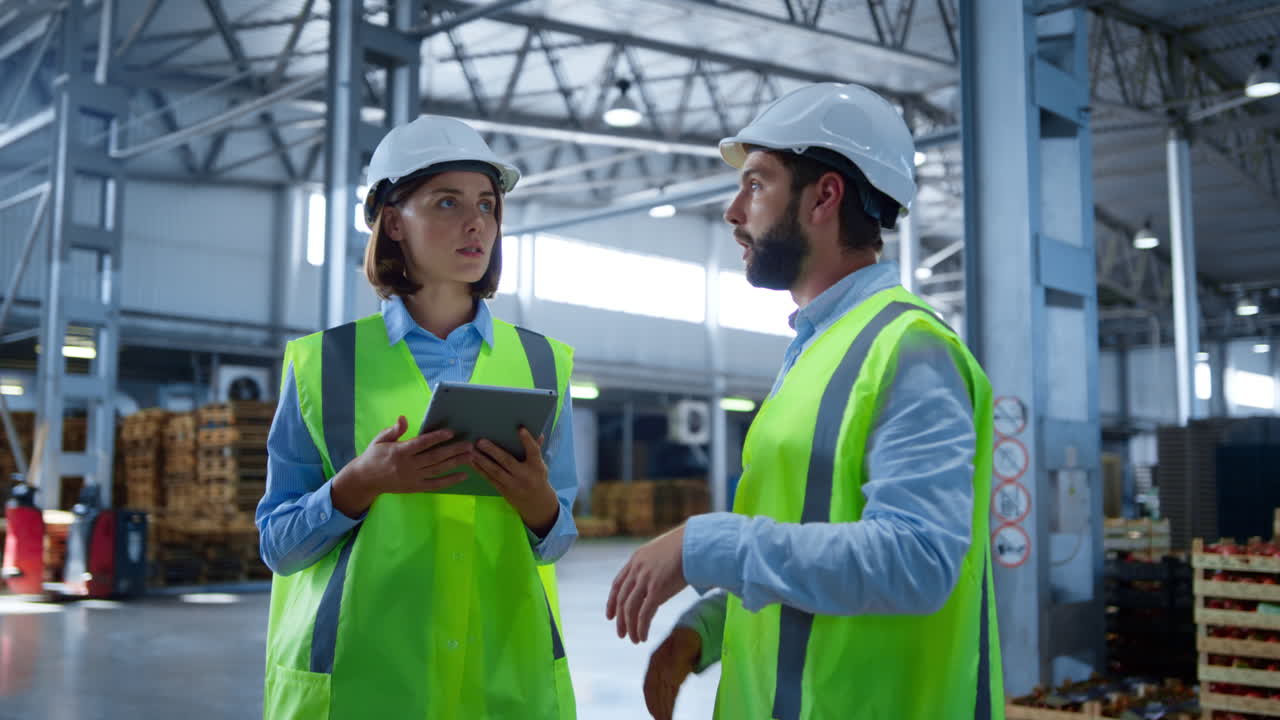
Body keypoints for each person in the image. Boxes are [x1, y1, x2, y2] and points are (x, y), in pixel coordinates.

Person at [606, 83, 1004, 720]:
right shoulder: (817, 351)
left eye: (757, 184)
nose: (735, 211)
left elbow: (918, 561)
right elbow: (813, 542)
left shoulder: (909, 349)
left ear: (825, 197)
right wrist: (707, 627)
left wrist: (704, 546)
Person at [257, 115, 578, 719]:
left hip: (501, 677)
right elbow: (278, 545)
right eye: (447, 202)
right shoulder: (322, 364)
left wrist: (537, 500)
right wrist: (358, 485)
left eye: (487, 204)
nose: (476, 221)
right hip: (366, 680)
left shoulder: (543, 363)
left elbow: (556, 538)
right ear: (394, 222)